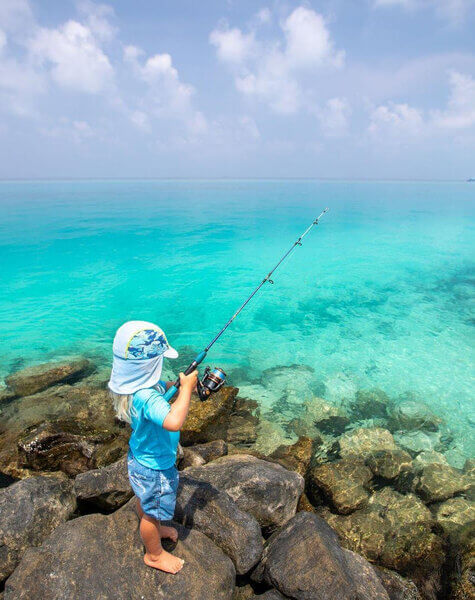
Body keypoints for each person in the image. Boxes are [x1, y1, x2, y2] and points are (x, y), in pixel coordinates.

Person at [108, 320, 197, 574]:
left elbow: (161, 390)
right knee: (151, 512)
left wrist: (175, 386)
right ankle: (154, 554)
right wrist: (187, 391)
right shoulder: (148, 397)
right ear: (151, 364)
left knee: (146, 500)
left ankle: (154, 525)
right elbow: (174, 421)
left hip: (139, 459)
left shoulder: (137, 389)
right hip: (155, 468)